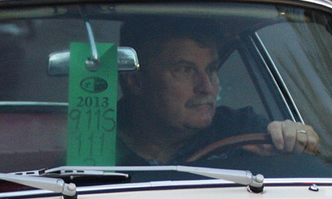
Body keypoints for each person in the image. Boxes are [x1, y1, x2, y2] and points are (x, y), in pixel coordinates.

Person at [115, 21, 320, 165]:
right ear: (136, 81)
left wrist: (296, 141)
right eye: (185, 70)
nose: (206, 87)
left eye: (212, 69)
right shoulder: (94, 136)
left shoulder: (243, 131)